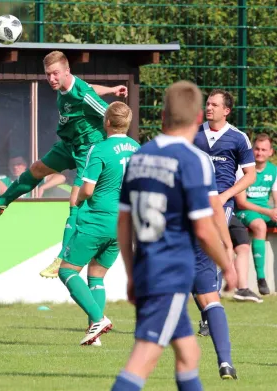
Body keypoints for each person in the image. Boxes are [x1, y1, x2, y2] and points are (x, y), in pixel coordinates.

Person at [111, 81, 237, 391]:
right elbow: (205, 229)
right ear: (198, 119)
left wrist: (130, 273)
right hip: (171, 274)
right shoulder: (194, 161)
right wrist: (229, 265)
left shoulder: (140, 157)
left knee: (189, 353)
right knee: (143, 359)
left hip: (148, 269)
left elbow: (124, 221)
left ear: (164, 114)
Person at [0, 51, 128, 279]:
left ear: (66, 71)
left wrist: (110, 145)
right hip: (69, 144)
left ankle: (63, 257)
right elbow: (88, 88)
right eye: (48, 75)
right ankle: (0, 203)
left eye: (55, 74)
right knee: (36, 169)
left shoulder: (82, 93)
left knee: (75, 200)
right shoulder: (69, 86)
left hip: (88, 148)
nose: (51, 79)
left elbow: (107, 113)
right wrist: (111, 89)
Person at [58, 102, 139, 346]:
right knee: (96, 275)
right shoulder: (138, 148)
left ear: (106, 122)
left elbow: (88, 189)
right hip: (124, 223)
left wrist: (78, 198)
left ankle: (97, 318)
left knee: (67, 271)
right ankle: (94, 335)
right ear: (128, 122)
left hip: (98, 219)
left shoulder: (100, 149)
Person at [192, 89, 255, 371]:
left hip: (221, 204)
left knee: (207, 251)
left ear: (226, 110)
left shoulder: (238, 138)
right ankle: (208, 310)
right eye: (207, 103)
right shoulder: (194, 133)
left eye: (214, 105)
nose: (209, 108)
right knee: (194, 261)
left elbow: (250, 174)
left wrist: (226, 194)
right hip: (192, 203)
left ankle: (210, 305)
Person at [234, 133, 277, 295]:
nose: (260, 153)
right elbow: (241, 202)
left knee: (263, 221)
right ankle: (261, 279)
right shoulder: (243, 169)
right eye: (257, 149)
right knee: (259, 225)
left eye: (264, 150)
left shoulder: (274, 171)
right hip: (245, 212)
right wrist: (269, 211)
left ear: (270, 152)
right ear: (252, 150)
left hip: (264, 211)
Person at [228, 215, 262, 303]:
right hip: (213, 212)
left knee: (243, 247)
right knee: (226, 246)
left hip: (230, 214)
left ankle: (243, 289)